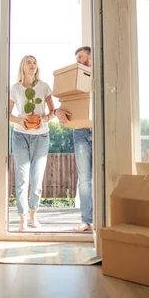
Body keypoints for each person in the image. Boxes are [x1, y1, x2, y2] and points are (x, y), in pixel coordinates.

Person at [9, 55, 56, 231]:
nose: (32, 65)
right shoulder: (15, 88)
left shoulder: (44, 87)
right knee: (22, 179)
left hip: (42, 136)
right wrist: (21, 121)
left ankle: (33, 215)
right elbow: (8, 114)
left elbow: (53, 112)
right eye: (28, 62)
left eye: (34, 62)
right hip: (20, 136)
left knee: (36, 179)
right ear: (22, 66)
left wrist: (44, 118)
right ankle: (22, 219)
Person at [54, 46, 93, 233]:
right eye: (76, 57)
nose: (77, 60)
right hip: (80, 131)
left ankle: (107, 218)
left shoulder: (103, 76)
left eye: (81, 56)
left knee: (106, 176)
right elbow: (61, 102)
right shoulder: (73, 80)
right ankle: (87, 221)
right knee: (85, 179)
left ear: (91, 57)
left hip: (101, 130)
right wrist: (57, 111)